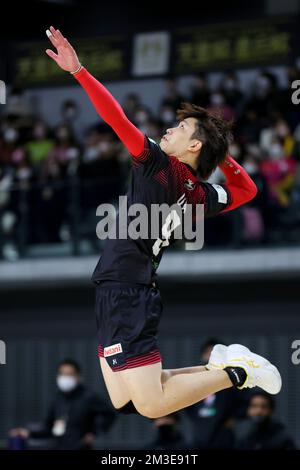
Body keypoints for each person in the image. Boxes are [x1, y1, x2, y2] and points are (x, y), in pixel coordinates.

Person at [45, 26, 282, 420]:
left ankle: (238, 373)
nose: (169, 129)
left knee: (151, 405)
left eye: (182, 129)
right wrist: (217, 153)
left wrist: (79, 71)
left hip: (127, 289)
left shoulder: (159, 164)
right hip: (118, 286)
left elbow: (115, 117)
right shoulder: (200, 192)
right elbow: (248, 189)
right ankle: (220, 367)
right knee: (126, 401)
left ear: (193, 147)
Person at [9, 359, 115, 450]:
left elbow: (110, 414)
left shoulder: (88, 397)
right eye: (62, 374)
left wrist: (93, 433)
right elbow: (48, 427)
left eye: (69, 374)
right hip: (58, 446)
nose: (65, 377)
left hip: (80, 447)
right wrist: (28, 433)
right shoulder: (58, 399)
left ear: (78, 376)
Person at [185, 339, 248, 449]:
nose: (210, 357)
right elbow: (185, 402)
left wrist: (233, 418)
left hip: (222, 437)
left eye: (215, 354)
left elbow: (245, 401)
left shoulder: (232, 379)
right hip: (200, 433)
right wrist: (197, 418)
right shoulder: (195, 379)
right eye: (208, 353)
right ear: (202, 356)